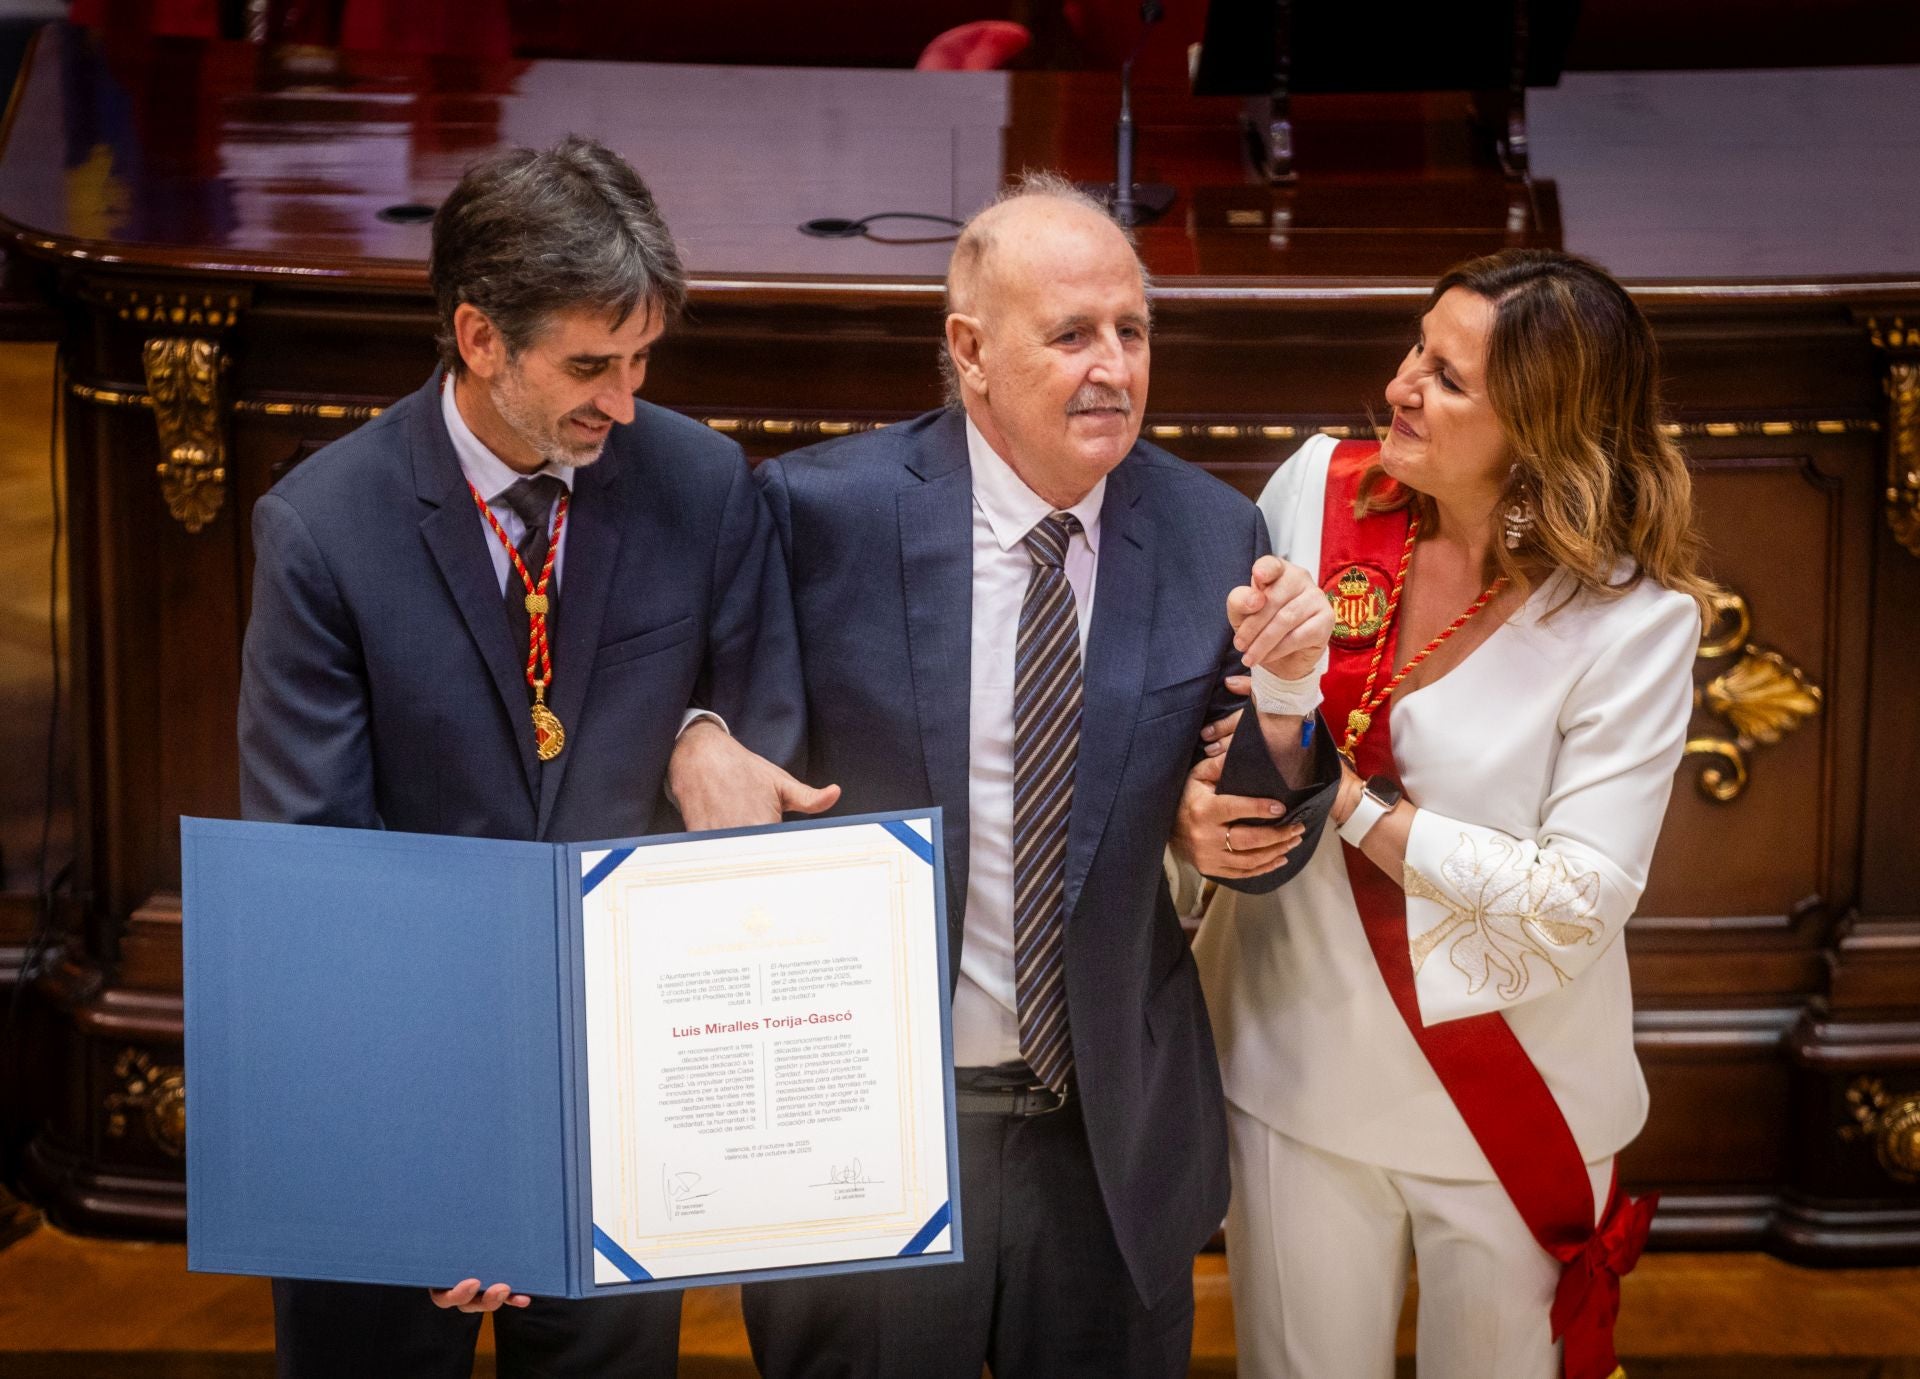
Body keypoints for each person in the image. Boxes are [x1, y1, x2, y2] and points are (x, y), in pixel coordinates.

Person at [238, 136, 835, 1379]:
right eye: (589, 365)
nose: (623, 402)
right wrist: (440, 1163)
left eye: (641, 360)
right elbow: (321, 875)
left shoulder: (700, 481)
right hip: (396, 1111)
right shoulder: (322, 529)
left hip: (618, 1116)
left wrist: (701, 732)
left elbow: (762, 723)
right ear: (478, 336)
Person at [738, 173, 1338, 1379]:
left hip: (1108, 1138)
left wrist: (1287, 694)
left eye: (1132, 329)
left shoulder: (1211, 533)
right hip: (880, 1131)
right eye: (1071, 334)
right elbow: (736, 782)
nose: (1112, 365)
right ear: (970, 349)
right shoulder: (820, 514)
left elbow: (1262, 841)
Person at [1176, 248, 1716, 1379]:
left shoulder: (1635, 620)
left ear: (1546, 427)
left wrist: (1353, 810)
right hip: (1293, 1063)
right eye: (1420, 347)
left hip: (1514, 1094)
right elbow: (1211, 720)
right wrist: (1194, 812)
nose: (1400, 386)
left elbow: (1581, 897)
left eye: (1451, 379)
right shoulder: (1318, 488)